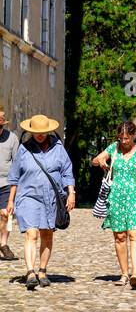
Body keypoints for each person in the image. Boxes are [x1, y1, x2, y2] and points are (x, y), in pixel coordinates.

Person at [0, 114, 75, 290]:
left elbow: (67, 172)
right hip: (28, 197)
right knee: (31, 233)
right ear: (31, 132)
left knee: (47, 234)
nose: (40, 135)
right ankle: (30, 272)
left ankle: (42, 271)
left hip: (51, 198)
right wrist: (10, 201)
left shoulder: (58, 148)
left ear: (48, 131)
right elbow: (14, 177)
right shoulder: (24, 149)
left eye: (43, 132)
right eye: (36, 132)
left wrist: (71, 193)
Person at [92, 121, 136, 290]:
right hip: (116, 198)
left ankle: (135, 274)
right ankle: (124, 274)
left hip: (135, 197)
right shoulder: (114, 148)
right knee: (120, 237)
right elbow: (95, 160)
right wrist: (99, 161)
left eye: (127, 138)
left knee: (135, 234)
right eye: (121, 138)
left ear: (134, 136)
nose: (124, 141)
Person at [0, 108, 20, 260]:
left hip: (6, 182)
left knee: (5, 214)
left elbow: (17, 163)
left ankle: (3, 244)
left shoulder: (12, 138)